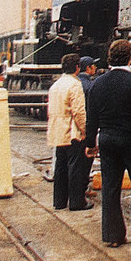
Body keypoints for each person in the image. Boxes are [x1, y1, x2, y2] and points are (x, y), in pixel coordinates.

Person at [85, 39, 131, 248]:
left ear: (109, 58)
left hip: (107, 140)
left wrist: (91, 143)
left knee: (110, 186)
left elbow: (92, 118)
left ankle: (113, 235)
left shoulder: (97, 84)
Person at [47, 53, 92, 212]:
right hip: (73, 132)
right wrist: (86, 132)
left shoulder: (55, 85)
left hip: (58, 132)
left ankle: (59, 201)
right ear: (77, 67)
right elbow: (79, 112)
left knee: (60, 167)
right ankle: (77, 202)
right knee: (76, 168)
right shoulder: (75, 85)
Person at [77, 55, 98, 194]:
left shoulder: (76, 82)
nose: (95, 68)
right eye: (93, 65)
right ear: (88, 68)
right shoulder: (90, 86)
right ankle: (83, 188)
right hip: (85, 126)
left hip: (75, 128)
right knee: (86, 160)